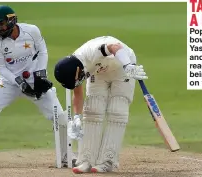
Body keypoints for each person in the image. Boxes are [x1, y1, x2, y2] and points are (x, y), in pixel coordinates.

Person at [0, 5, 71, 167]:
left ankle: (66, 156)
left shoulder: (31, 31)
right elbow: (1, 67)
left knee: (59, 115)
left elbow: (43, 51)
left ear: (12, 19)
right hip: (9, 83)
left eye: (1, 23)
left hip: (35, 81)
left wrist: (40, 75)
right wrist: (18, 81)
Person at [54, 36, 148, 173]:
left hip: (122, 66)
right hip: (99, 72)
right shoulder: (75, 69)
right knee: (92, 109)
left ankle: (107, 161)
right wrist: (77, 117)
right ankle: (85, 160)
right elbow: (78, 93)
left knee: (117, 110)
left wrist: (129, 66)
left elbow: (115, 47)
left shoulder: (91, 52)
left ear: (77, 71)